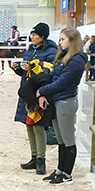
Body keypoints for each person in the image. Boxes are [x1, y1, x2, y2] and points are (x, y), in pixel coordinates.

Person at [37, 27, 88, 184]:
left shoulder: (77, 60)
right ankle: (60, 170)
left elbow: (62, 83)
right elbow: (53, 77)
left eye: (62, 39)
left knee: (68, 139)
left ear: (72, 41)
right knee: (60, 139)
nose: (60, 42)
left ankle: (67, 174)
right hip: (57, 100)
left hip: (66, 101)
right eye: (60, 39)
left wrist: (41, 90)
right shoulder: (64, 57)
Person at [12, 22, 57, 175]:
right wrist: (18, 69)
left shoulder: (51, 51)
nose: (31, 37)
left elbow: (49, 72)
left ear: (42, 37)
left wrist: (33, 67)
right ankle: (33, 156)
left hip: (40, 93)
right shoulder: (30, 50)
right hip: (28, 92)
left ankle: (41, 160)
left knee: (38, 126)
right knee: (29, 124)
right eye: (31, 34)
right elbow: (27, 74)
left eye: (35, 34)